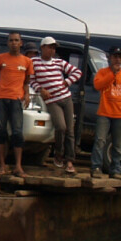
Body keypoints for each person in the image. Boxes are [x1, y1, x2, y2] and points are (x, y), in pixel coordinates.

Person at [30, 37, 82, 174]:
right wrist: (41, 90)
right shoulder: (34, 62)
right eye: (49, 47)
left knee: (70, 130)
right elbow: (31, 80)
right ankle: (59, 153)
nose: (52, 50)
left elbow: (77, 72)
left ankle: (69, 160)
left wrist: (67, 82)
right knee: (61, 127)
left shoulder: (59, 62)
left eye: (54, 48)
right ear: (42, 48)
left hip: (65, 97)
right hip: (52, 100)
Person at [0, 32, 33, 177]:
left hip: (16, 99)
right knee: (0, 131)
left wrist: (27, 94)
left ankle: (18, 166)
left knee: (17, 132)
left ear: (21, 43)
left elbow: (27, 81)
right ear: (7, 43)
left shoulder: (26, 61)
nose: (13, 43)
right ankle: (1, 164)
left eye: (16, 40)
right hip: (0, 98)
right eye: (11, 40)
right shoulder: (1, 58)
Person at [91, 46, 121, 179]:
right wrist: (113, 74)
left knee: (118, 144)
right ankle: (96, 168)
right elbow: (98, 85)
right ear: (110, 58)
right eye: (115, 56)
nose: (117, 59)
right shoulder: (102, 72)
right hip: (104, 113)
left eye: (120, 57)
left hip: (120, 114)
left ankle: (115, 170)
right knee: (100, 141)